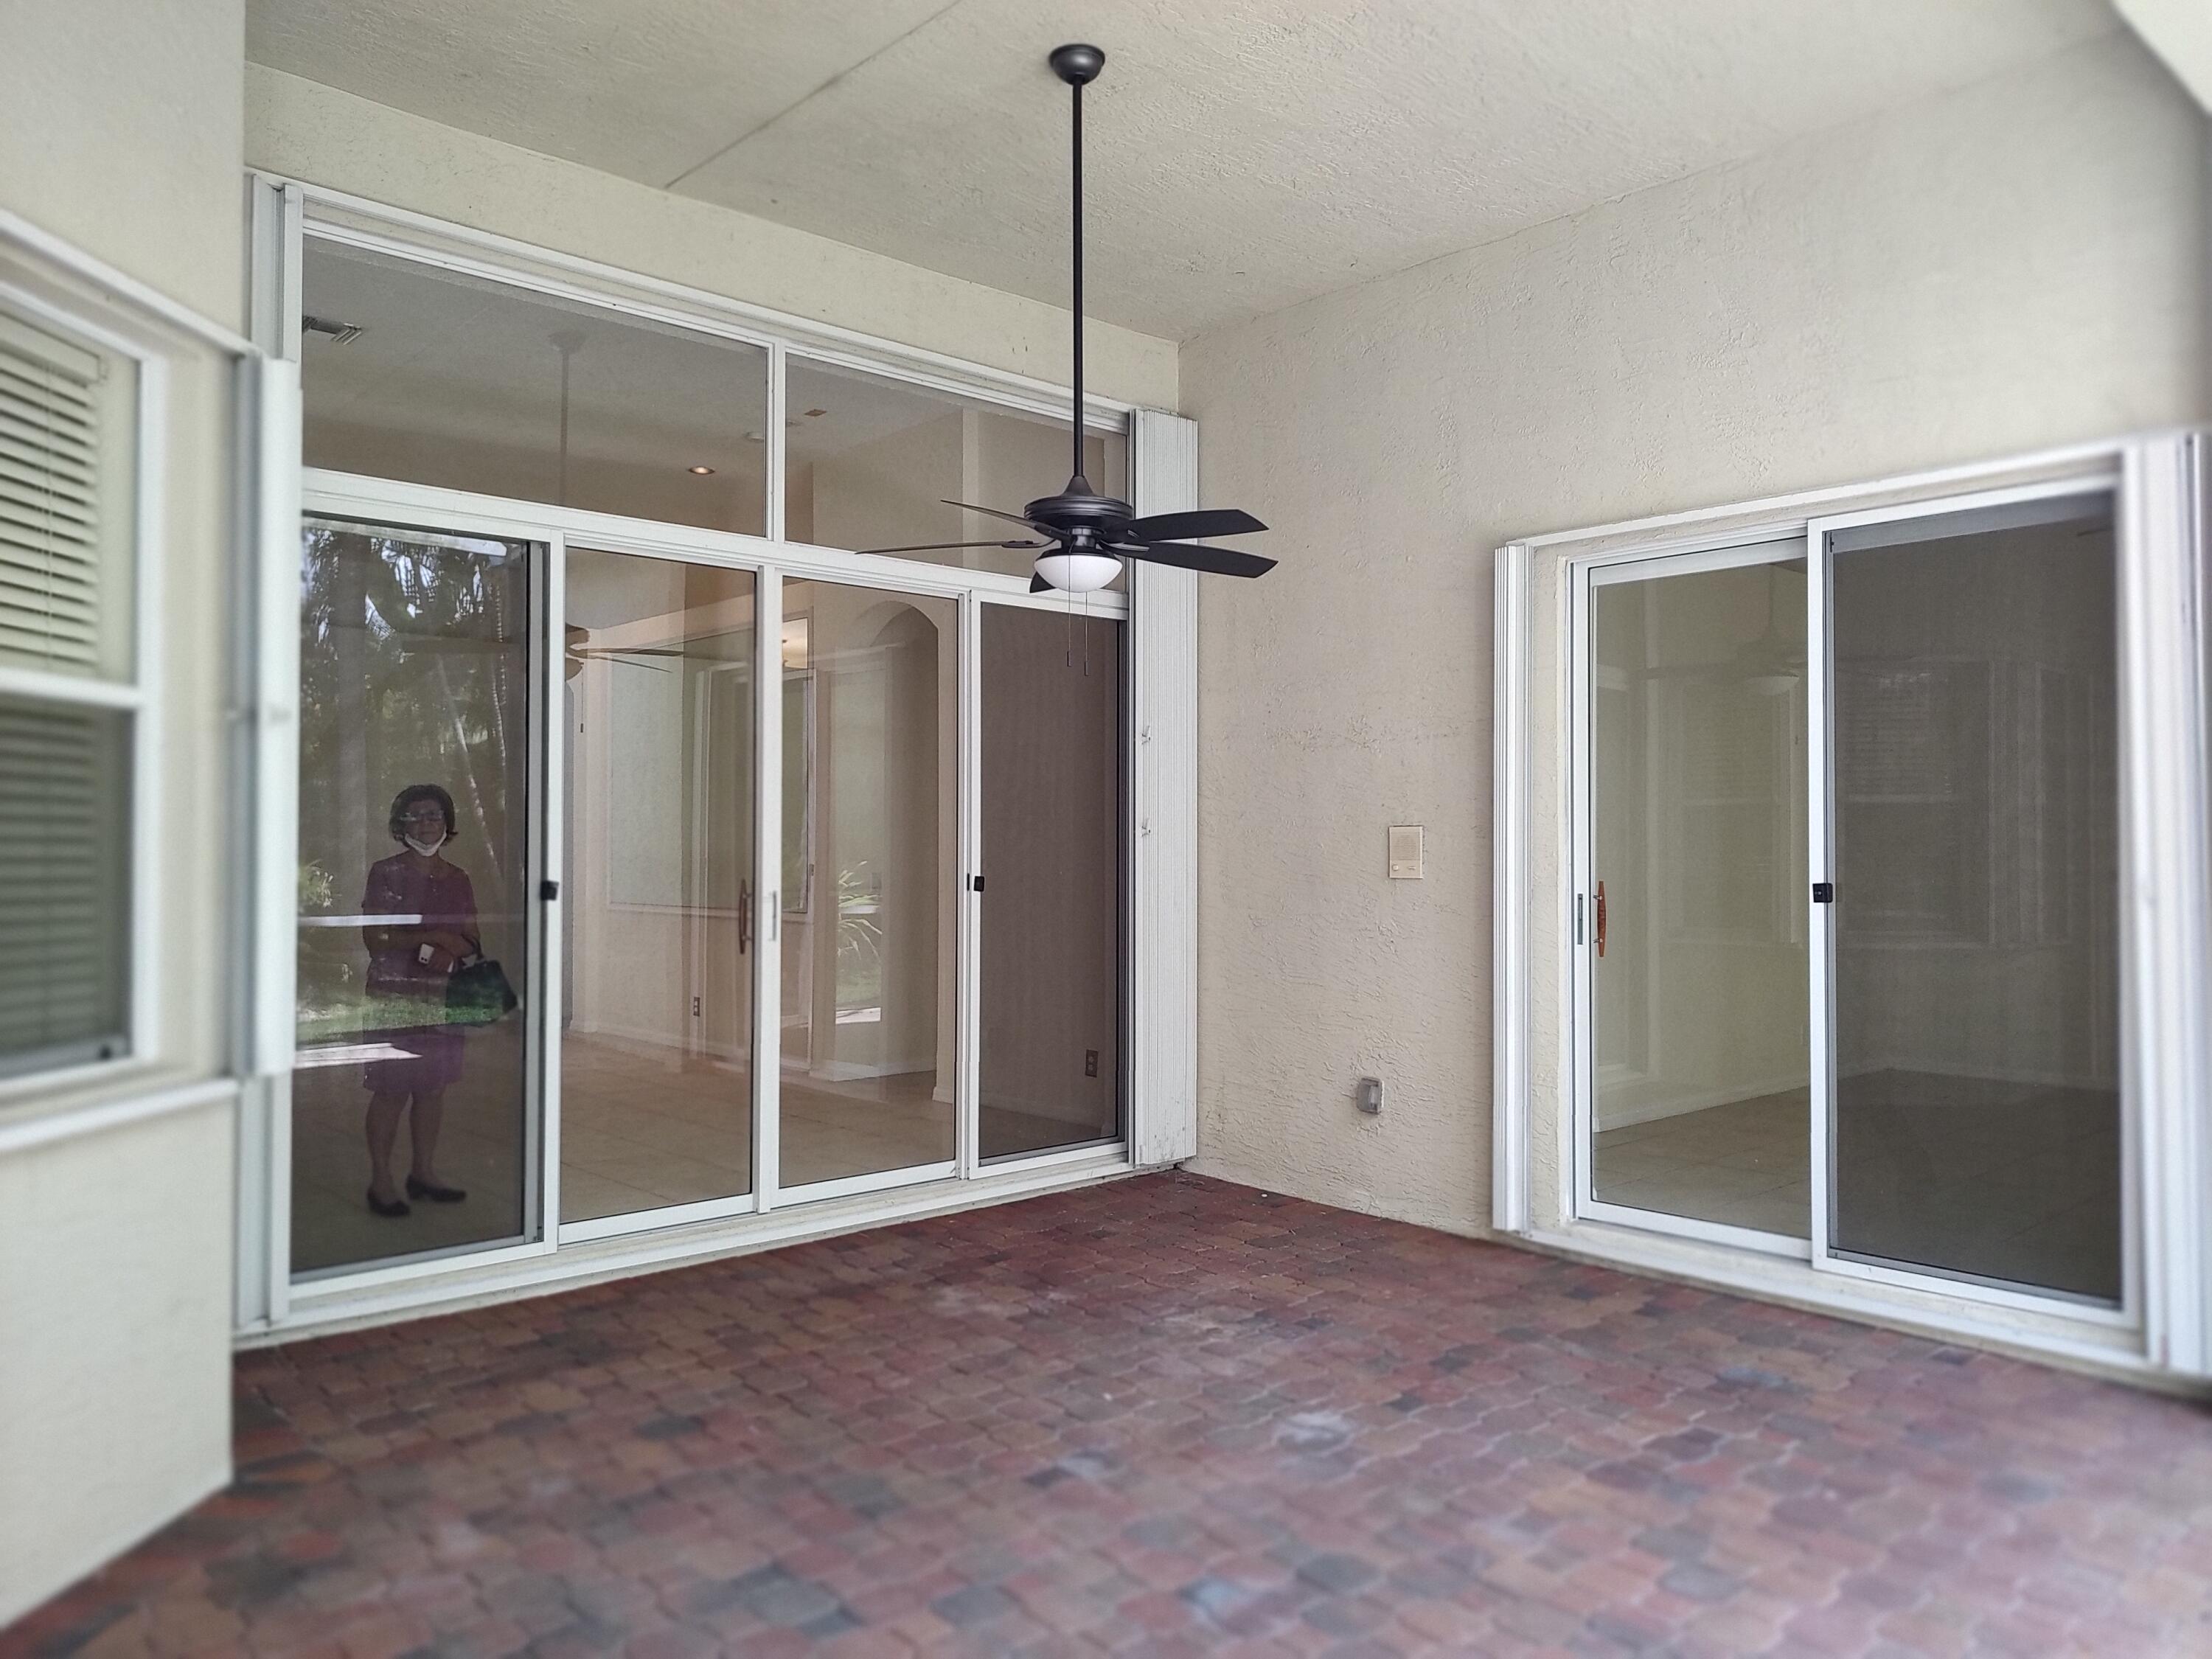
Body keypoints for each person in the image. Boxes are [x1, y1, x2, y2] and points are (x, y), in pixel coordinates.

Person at [359, 784, 477, 1217]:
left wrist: (451, 947)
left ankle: (423, 1173)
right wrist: (432, 935)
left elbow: (472, 939)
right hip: (395, 996)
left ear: (447, 824)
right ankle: (381, 1179)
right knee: (392, 1090)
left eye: (435, 816)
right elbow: (376, 938)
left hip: (442, 997)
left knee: (432, 1088)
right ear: (401, 824)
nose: (428, 824)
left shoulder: (459, 878)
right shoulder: (386, 873)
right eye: (418, 816)